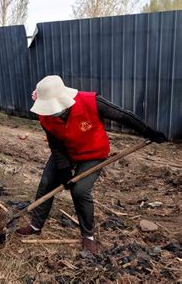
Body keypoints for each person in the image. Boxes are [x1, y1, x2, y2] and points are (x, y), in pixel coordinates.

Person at [17, 75, 167, 254]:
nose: (52, 112)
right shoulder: (45, 116)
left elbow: (122, 115)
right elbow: (55, 145)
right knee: (47, 183)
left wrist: (147, 131)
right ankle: (36, 225)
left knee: (80, 190)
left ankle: (87, 236)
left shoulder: (90, 102)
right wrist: (64, 170)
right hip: (66, 152)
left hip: (93, 153)